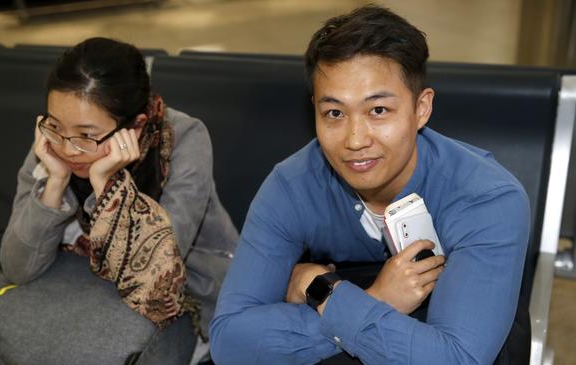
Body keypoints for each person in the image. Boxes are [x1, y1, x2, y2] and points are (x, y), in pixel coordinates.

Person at [210, 5, 529, 365]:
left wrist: (325, 292)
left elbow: (457, 358)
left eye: (378, 111)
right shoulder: (292, 186)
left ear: (421, 108)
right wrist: (379, 299)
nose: (355, 139)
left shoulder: (484, 198)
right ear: (314, 109)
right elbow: (229, 342)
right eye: (334, 113)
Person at [0, 37, 238, 365]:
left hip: (180, 289)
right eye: (55, 125)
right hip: (75, 282)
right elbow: (17, 268)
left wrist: (107, 187)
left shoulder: (183, 139)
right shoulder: (57, 139)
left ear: (134, 127)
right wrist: (55, 185)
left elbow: (156, 278)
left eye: (86, 135)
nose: (67, 149)